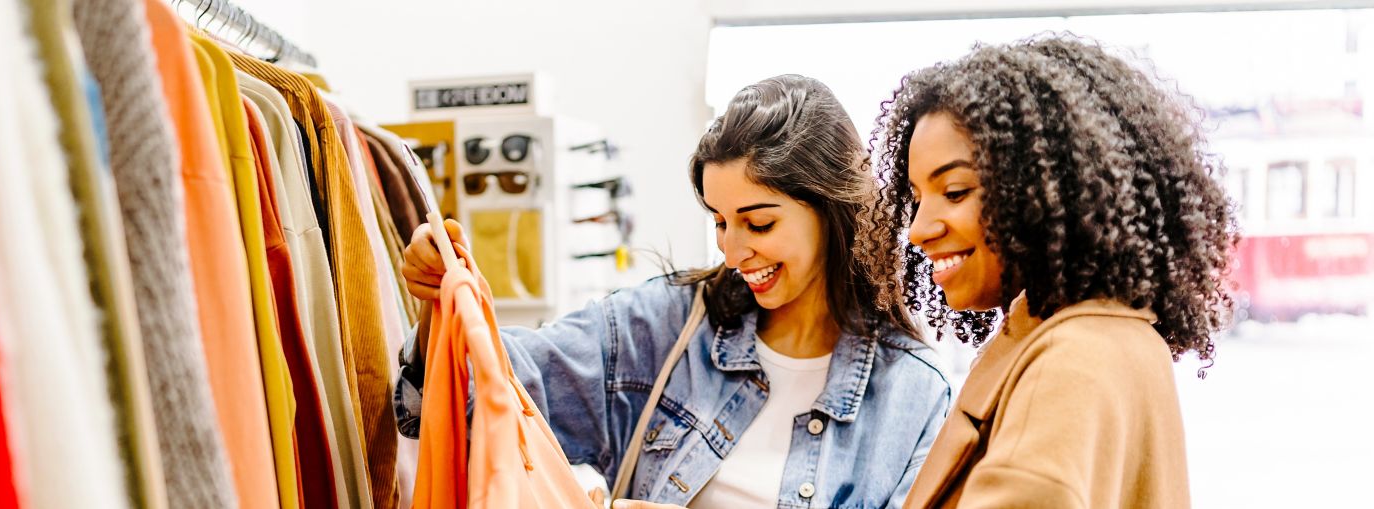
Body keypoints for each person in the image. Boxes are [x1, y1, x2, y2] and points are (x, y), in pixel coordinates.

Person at [397, 74, 951, 508]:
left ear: (832, 213)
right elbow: (464, 399)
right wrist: (443, 300)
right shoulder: (663, 330)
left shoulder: (913, 395)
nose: (732, 254)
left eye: (758, 224)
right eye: (719, 222)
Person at [861, 36, 1238, 508]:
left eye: (955, 192)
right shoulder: (1121, 337)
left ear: (1047, 190)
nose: (917, 230)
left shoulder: (1065, 366)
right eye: (916, 199)